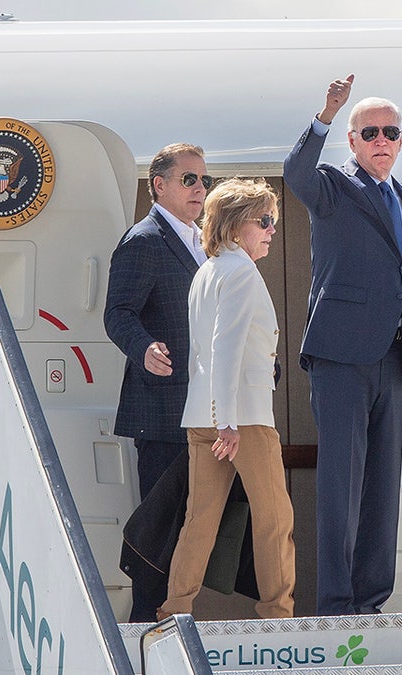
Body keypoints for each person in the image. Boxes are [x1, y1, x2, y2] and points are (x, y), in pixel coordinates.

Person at [283, 74, 402, 616]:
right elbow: (295, 173)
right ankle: (337, 604)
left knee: (383, 486)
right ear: (352, 141)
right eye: (370, 132)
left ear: (400, 142)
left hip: (397, 362)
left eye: (391, 133)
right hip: (341, 357)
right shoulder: (333, 185)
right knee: (340, 487)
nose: (382, 141)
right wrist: (325, 114)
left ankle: (372, 601)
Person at [157, 178, 296, 620]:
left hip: (204, 415)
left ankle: (173, 613)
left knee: (200, 521)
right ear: (238, 226)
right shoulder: (240, 273)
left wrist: (217, 418)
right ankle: (278, 616)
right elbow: (226, 346)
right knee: (275, 519)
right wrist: (228, 422)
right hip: (242, 419)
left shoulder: (207, 270)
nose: (272, 229)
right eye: (266, 220)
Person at [105, 143, 212, 622]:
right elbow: (118, 313)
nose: (200, 189)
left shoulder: (202, 240)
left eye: (203, 180)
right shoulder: (144, 240)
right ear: (160, 185)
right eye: (189, 179)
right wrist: (143, 347)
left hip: (201, 411)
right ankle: (146, 630)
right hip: (162, 414)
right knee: (159, 533)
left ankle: (172, 622)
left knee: (191, 530)